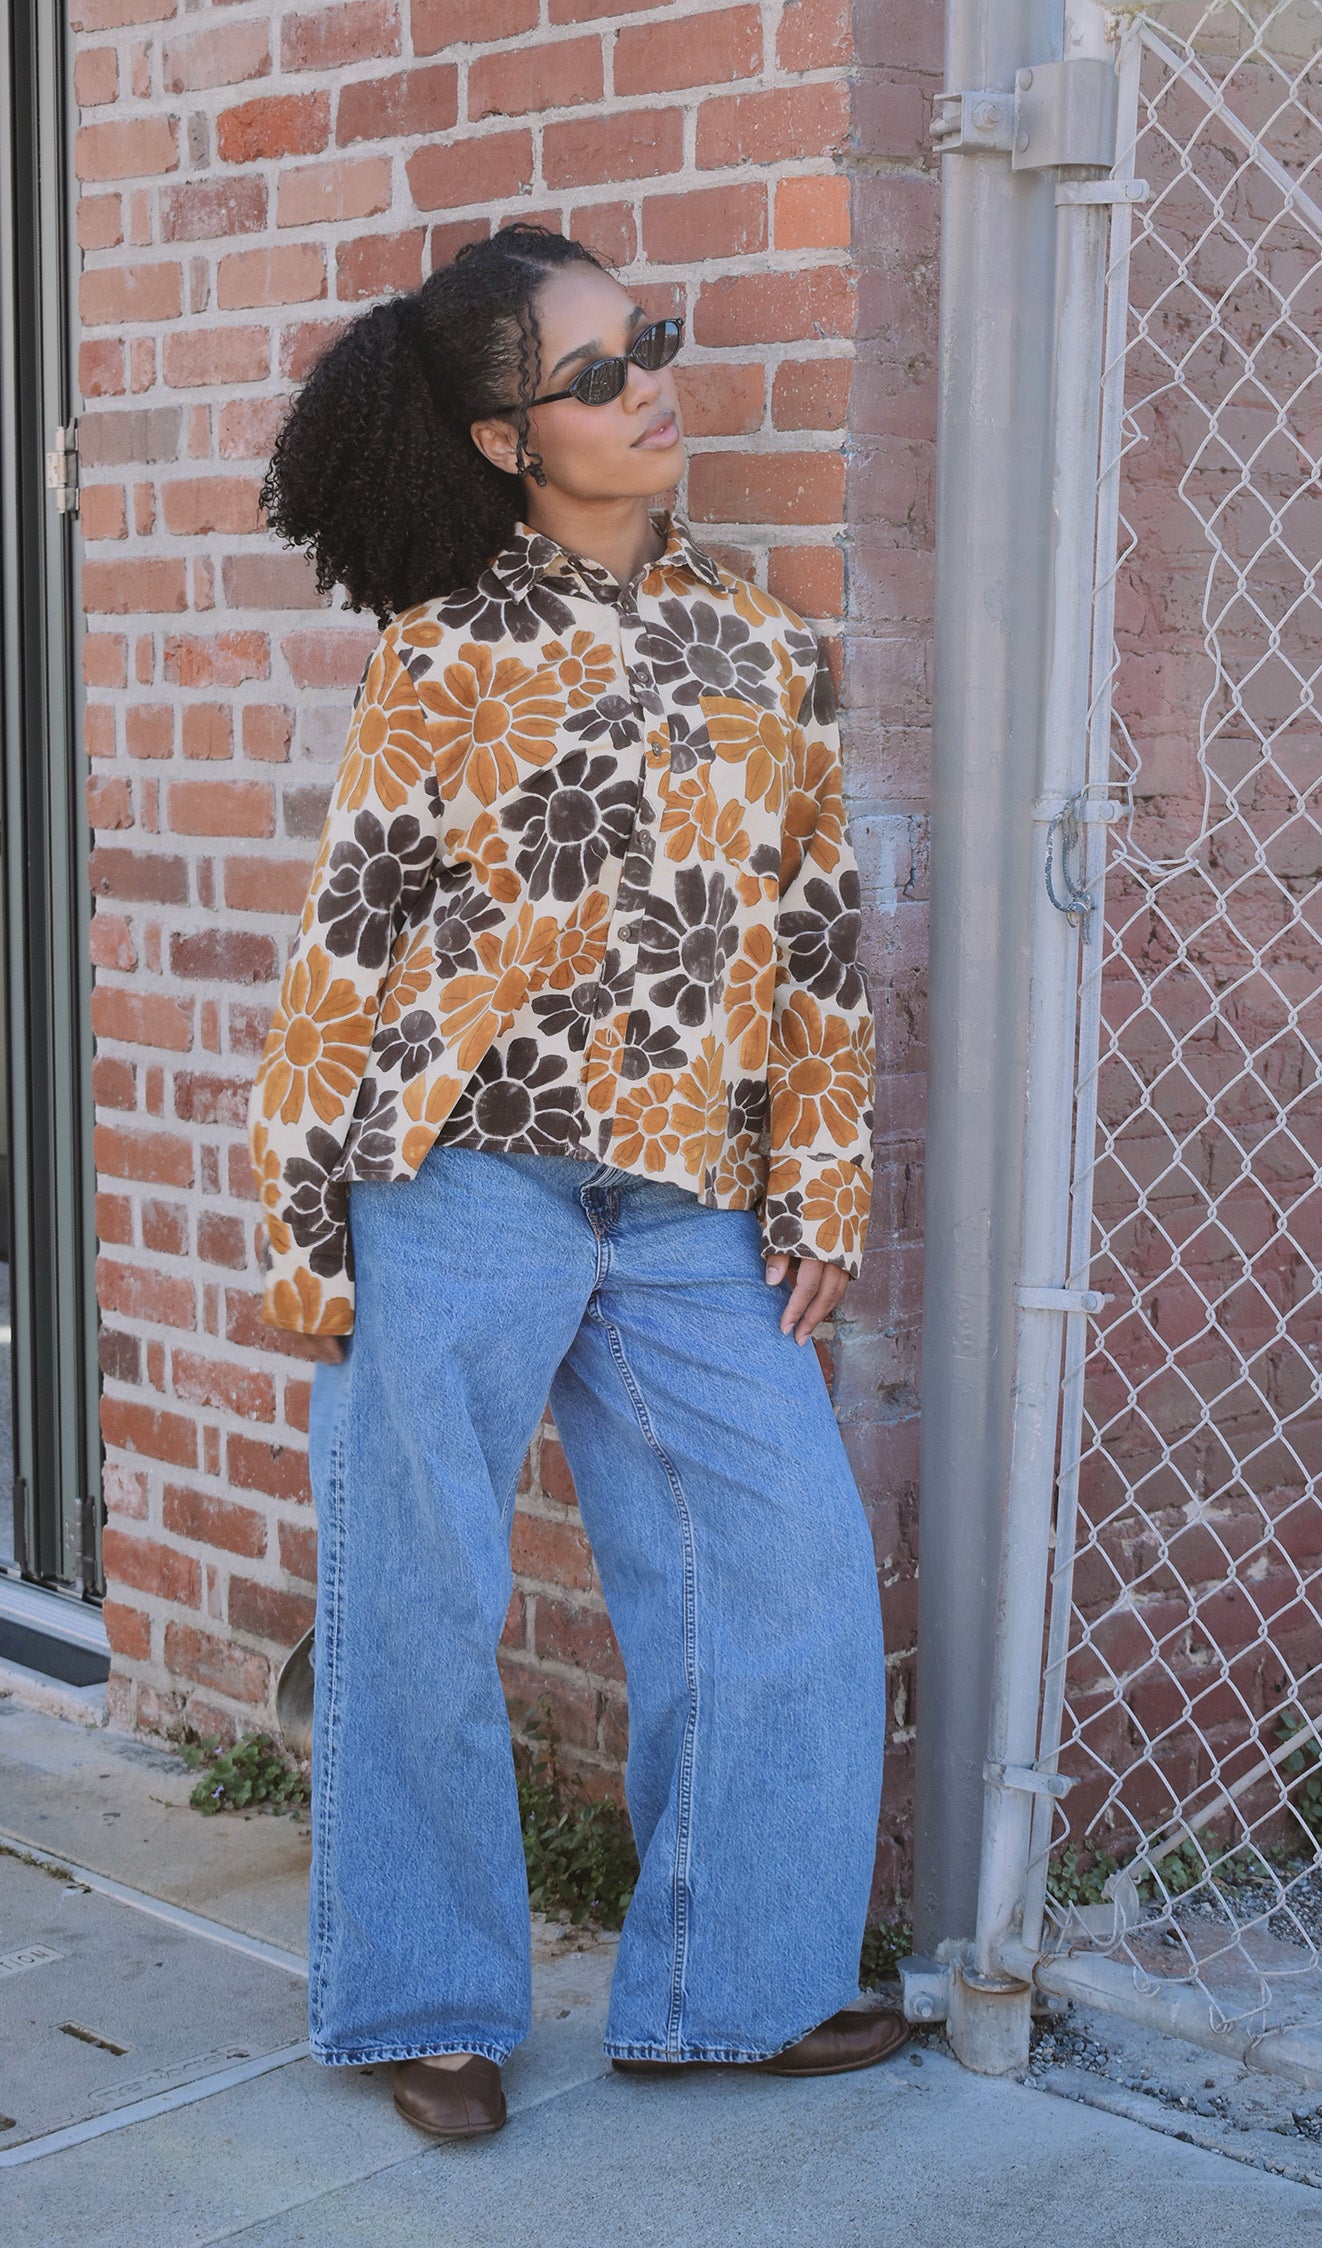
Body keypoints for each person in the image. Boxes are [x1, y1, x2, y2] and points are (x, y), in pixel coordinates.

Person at [247, 222, 904, 2142]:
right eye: (598, 374)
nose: (650, 389)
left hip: (693, 1205)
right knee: (418, 1590)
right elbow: (351, 936)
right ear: (500, 437)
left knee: (782, 1568)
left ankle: (736, 1983)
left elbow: (810, 935)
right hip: (463, 1181)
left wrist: (822, 1184)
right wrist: (306, 1214)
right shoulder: (443, 652)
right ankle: (419, 1999)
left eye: (653, 346)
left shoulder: (769, 645)